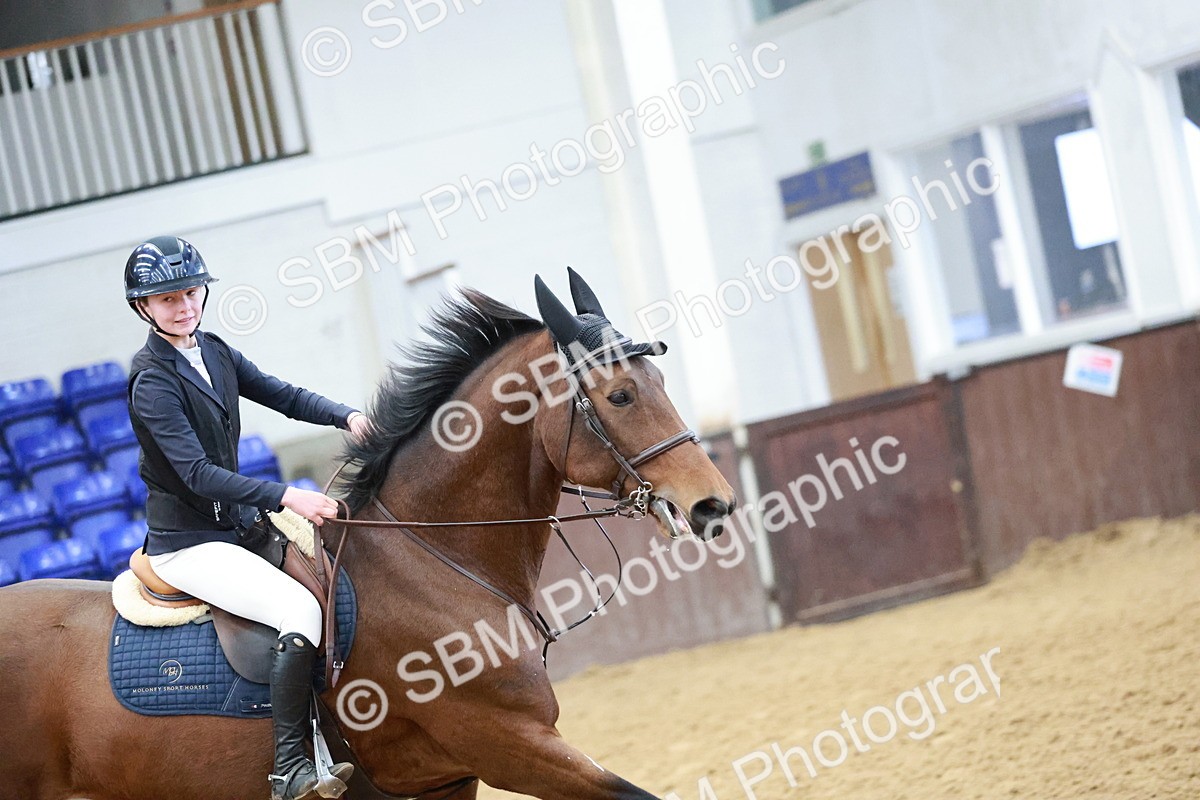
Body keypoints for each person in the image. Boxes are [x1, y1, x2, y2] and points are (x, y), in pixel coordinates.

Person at [124, 235, 366, 800]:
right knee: (299, 608)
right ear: (143, 307)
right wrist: (288, 495)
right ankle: (289, 770)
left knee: (338, 583)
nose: (183, 306)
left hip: (238, 529)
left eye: (190, 293)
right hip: (188, 544)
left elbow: (282, 395)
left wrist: (346, 415)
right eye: (167, 299)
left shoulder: (213, 351)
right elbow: (198, 474)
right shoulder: (151, 382)